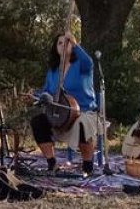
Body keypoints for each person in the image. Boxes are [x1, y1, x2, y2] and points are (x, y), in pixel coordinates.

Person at [28, 32, 102, 175]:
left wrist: (75, 43)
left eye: (67, 42)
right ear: (55, 48)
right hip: (58, 115)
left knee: (83, 123)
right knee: (37, 122)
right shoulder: (53, 71)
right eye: (60, 43)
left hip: (83, 112)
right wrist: (36, 96)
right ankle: (52, 163)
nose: (63, 45)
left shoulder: (82, 65)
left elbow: (89, 62)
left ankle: (87, 166)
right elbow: (46, 92)